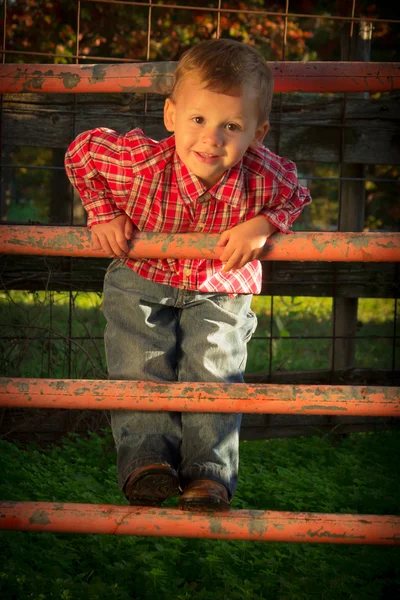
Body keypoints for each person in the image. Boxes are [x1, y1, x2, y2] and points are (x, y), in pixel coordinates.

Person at [65, 38, 311, 512]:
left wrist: (262, 226)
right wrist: (101, 214)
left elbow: (296, 194)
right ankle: (147, 464)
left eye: (231, 126)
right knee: (139, 365)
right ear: (171, 115)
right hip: (142, 278)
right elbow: (82, 152)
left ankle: (208, 477)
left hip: (220, 288)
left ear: (257, 133)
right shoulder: (138, 164)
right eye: (198, 119)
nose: (211, 139)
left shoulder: (264, 175)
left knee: (215, 371)